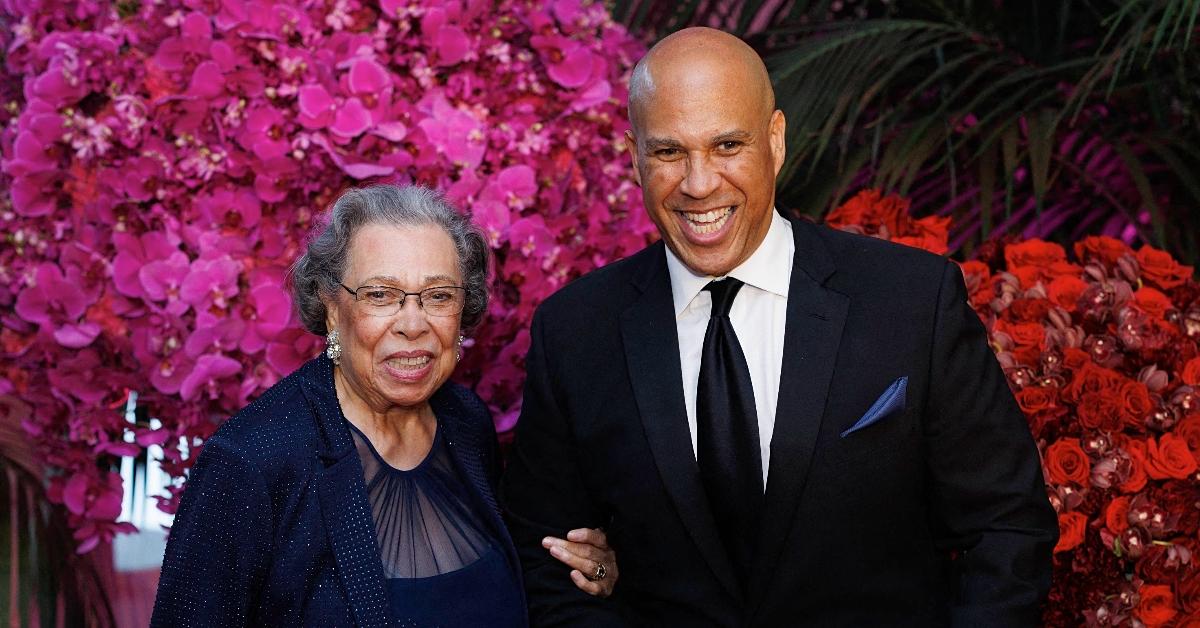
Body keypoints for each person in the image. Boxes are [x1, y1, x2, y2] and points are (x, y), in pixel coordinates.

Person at [501, 27, 1058, 626]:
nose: (699, 183)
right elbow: (547, 561)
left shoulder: (910, 302)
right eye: (668, 152)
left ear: (775, 140)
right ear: (635, 156)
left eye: (727, 145)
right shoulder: (576, 332)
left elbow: (1005, 527)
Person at [151, 184, 618, 627]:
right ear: (331, 308)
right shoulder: (251, 462)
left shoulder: (465, 422)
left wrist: (593, 568)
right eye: (381, 295)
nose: (413, 324)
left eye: (438, 296)